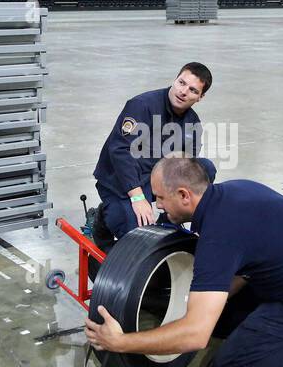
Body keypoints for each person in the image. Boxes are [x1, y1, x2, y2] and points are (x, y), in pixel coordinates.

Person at [84, 157, 283, 367]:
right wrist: (206, 301)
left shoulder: (219, 236)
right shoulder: (234, 191)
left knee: (233, 363)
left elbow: (196, 336)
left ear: (185, 195)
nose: (157, 205)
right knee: (220, 321)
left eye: (161, 197)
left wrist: (122, 343)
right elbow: (257, 253)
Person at [92, 64, 216, 243]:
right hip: (122, 181)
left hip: (157, 180)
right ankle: (103, 219)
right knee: (138, 237)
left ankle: (169, 223)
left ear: (200, 97)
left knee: (205, 169)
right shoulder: (142, 106)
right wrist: (138, 197)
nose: (183, 92)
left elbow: (188, 168)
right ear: (175, 80)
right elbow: (120, 151)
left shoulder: (192, 123)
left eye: (192, 90)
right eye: (181, 83)